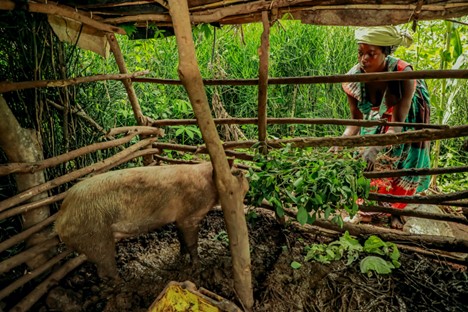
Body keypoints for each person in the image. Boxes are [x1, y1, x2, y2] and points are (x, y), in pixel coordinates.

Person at [331, 26, 431, 229]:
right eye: (360, 53)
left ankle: (395, 210)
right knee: (366, 158)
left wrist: (375, 148)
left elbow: (397, 124)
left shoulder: (403, 74)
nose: (363, 59)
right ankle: (368, 208)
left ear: (386, 54)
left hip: (404, 117)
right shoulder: (354, 79)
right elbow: (356, 122)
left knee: (403, 154)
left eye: (371, 54)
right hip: (376, 118)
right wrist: (339, 143)